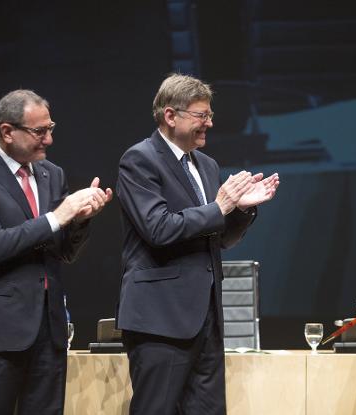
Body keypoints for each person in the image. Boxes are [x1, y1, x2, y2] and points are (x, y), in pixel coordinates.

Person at [116, 73, 279, 415]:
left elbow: (219, 239)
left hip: (206, 319)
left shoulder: (206, 165)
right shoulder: (140, 160)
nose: (210, 123)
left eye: (209, 115)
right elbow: (158, 228)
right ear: (170, 116)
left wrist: (243, 210)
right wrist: (219, 206)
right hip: (160, 319)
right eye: (201, 116)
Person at [0, 89, 113, 415]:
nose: (49, 139)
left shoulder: (52, 174)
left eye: (51, 128)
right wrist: (58, 216)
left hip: (48, 331)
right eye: (40, 131)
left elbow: (65, 252)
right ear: (7, 132)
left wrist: (80, 221)